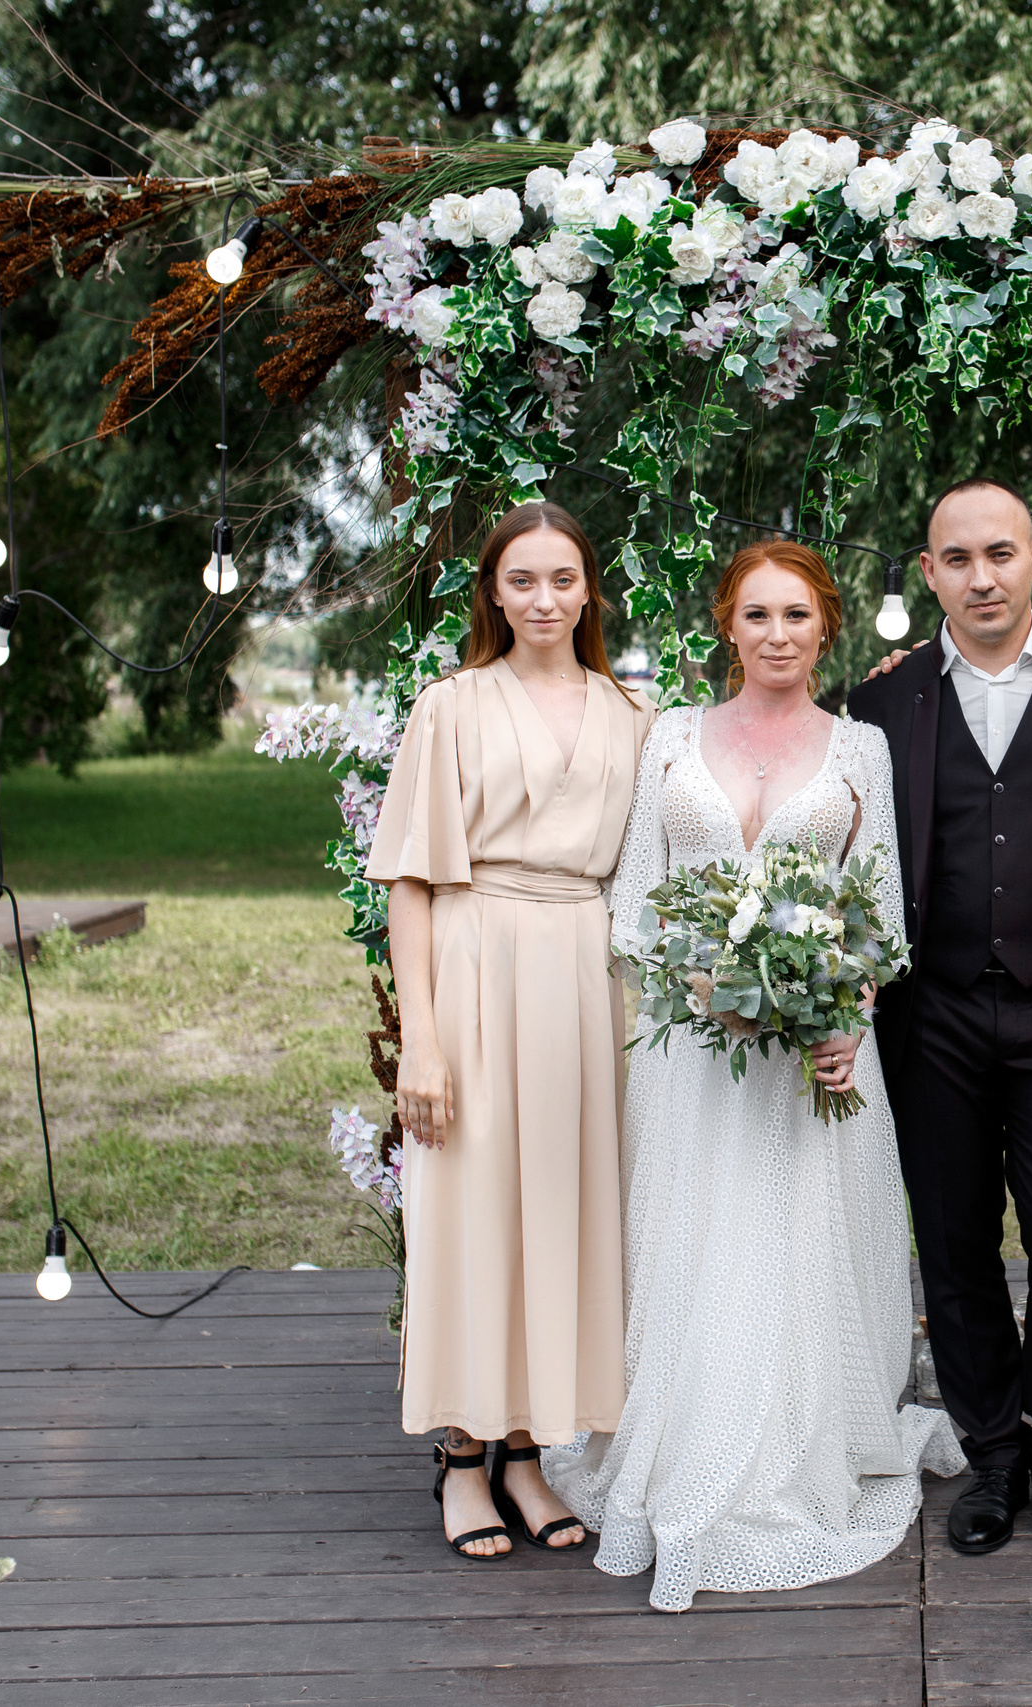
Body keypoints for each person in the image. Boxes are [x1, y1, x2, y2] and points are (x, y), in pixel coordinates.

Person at [545, 540, 965, 1612]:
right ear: (726, 626)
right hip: (692, 1056)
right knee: (696, 1243)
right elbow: (634, 901)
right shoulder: (670, 738)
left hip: (813, 1055)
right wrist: (704, 990)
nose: (778, 635)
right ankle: (683, 1440)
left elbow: (880, 914)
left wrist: (845, 1017)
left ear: (826, 628)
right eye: (757, 615)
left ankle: (793, 1446)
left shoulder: (861, 749)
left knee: (793, 1247)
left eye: (797, 616)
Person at [845, 478, 1032, 1558]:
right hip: (930, 1009)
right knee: (954, 1239)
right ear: (929, 573)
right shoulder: (879, 704)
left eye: (1000, 554)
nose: (982, 577)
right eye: (958, 559)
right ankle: (993, 1454)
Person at [368, 500, 655, 1561]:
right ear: (492, 590)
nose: (543, 599)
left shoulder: (633, 715)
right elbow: (409, 882)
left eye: (562, 579)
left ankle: (528, 1452)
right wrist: (422, 1041)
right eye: (522, 579)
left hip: (581, 971)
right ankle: (461, 1454)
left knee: (561, 1212)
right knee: (473, 1207)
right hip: (475, 959)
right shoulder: (451, 707)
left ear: (589, 592)